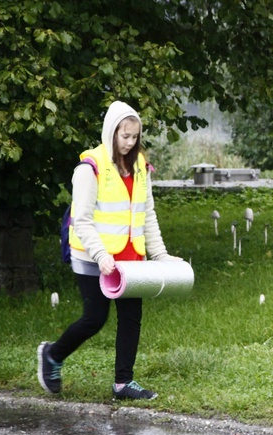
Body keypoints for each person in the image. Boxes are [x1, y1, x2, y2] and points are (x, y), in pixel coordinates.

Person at [38, 101, 180, 400]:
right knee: (95, 318)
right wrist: (102, 257)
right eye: (124, 136)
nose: (129, 143)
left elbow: (147, 214)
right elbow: (83, 220)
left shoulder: (140, 165)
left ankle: (123, 383)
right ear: (111, 131)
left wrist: (161, 256)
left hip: (130, 258)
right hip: (92, 257)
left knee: (131, 317)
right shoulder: (90, 168)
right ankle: (52, 355)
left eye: (134, 137)